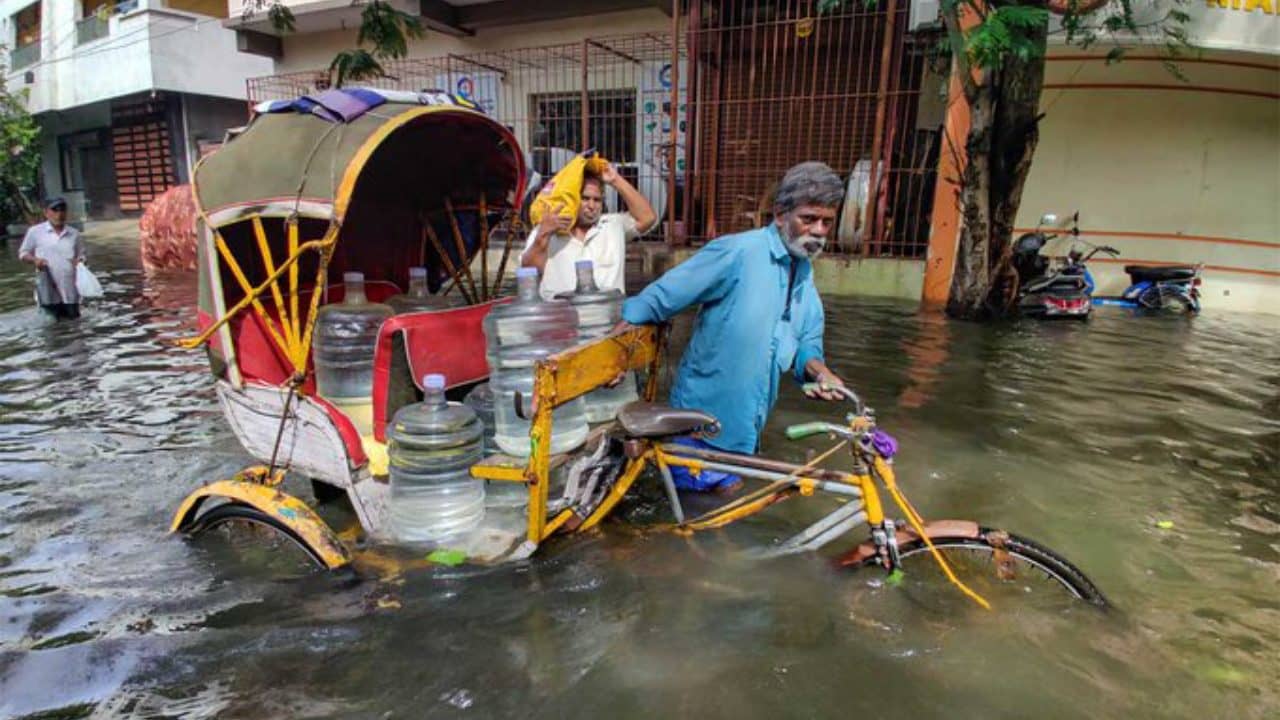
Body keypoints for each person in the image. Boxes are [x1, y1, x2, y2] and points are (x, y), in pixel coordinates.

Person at [617, 162, 848, 493]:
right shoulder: (738, 252)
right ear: (781, 215)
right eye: (808, 218)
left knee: (724, 511)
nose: (819, 230)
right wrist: (616, 343)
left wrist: (821, 372)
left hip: (745, 429)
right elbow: (663, 297)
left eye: (827, 222)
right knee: (694, 517)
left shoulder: (804, 275)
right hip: (699, 426)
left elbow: (806, 342)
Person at [521, 162, 657, 300]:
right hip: (561, 317)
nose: (591, 206)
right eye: (585, 198)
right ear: (572, 199)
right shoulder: (546, 229)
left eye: (597, 200)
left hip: (608, 316)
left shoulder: (612, 225)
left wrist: (615, 180)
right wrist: (544, 234)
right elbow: (529, 272)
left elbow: (648, 218)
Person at [19, 197, 86, 320]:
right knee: (51, 324)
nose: (59, 214)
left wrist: (80, 261)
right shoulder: (35, 232)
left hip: (70, 287)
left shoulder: (74, 233)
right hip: (47, 286)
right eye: (54, 210)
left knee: (74, 322)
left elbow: (81, 255)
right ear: (46, 213)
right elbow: (23, 254)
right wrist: (35, 260)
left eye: (62, 210)